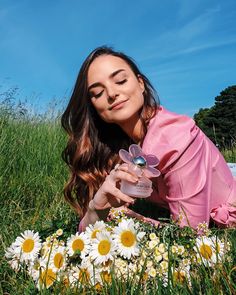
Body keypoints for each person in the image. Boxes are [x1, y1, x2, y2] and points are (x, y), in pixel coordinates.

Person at [61, 46, 236, 231]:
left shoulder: (176, 140)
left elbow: (190, 235)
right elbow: (86, 233)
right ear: (94, 107)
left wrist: (136, 219)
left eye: (120, 81)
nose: (111, 93)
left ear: (140, 84)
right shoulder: (115, 148)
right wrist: (96, 208)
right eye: (97, 93)